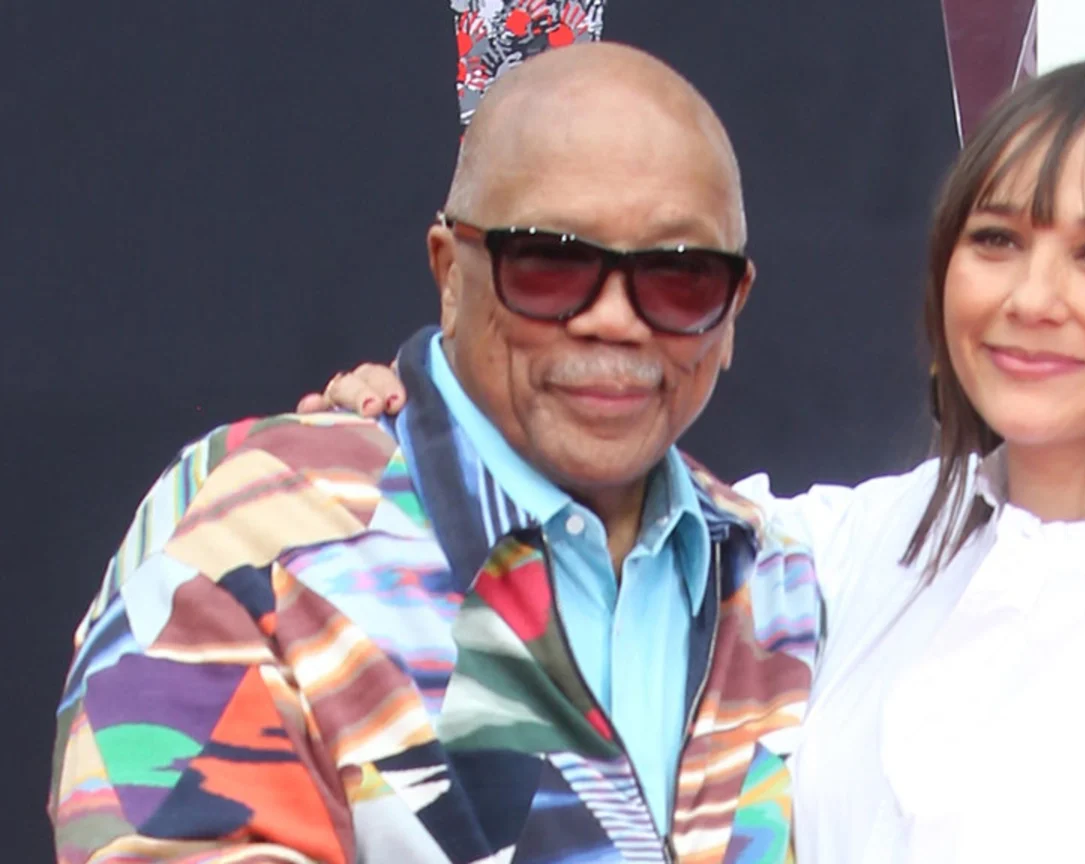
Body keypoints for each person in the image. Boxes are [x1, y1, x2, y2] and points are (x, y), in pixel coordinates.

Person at [310, 59, 1085, 862]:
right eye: (997, 239)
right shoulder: (841, 554)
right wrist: (412, 422)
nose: (1031, 300)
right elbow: (604, 510)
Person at [50, 44, 820, 864]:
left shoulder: (783, 578)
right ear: (451, 272)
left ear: (733, 308)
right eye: (552, 263)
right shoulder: (253, 534)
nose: (615, 319)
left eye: (681, 276)